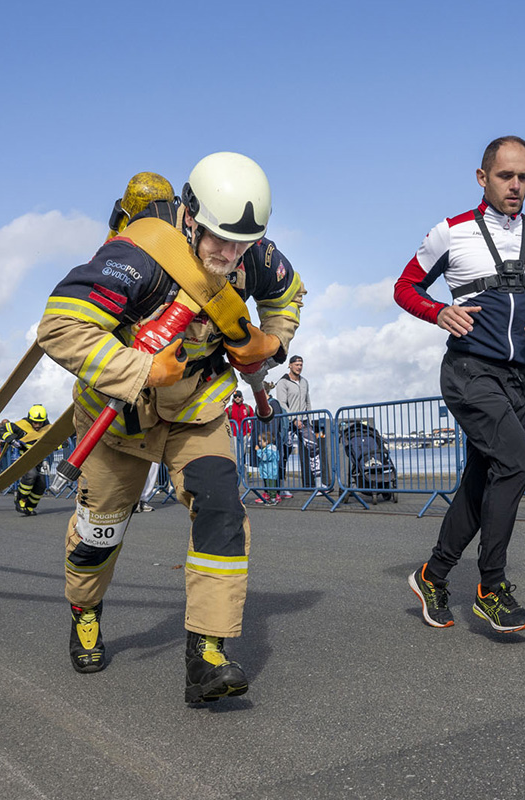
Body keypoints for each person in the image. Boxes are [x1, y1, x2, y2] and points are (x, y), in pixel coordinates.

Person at [36, 152, 304, 702]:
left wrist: (272, 342)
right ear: (188, 215)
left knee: (223, 510)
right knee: (97, 537)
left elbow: (288, 294)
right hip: (117, 420)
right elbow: (59, 327)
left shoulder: (255, 254)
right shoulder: (134, 258)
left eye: (241, 245)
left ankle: (207, 652)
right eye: (216, 241)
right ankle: (85, 610)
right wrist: (141, 367)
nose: (228, 256)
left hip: (196, 412)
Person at [394, 135, 525, 632]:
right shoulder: (450, 233)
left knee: (484, 478)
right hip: (469, 371)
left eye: (524, 177)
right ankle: (491, 587)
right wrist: (439, 311)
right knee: (517, 461)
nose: (516, 186)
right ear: (483, 178)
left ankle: (433, 576)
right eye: (505, 176)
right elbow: (405, 287)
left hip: (519, 378)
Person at [276, 355, 321, 487]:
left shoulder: (304, 382)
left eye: (301, 365)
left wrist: (309, 420)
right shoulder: (283, 382)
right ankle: (281, 486)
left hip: (304, 421)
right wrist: (294, 419)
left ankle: (318, 484)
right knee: (285, 453)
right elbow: (282, 404)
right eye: (296, 365)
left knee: (314, 447)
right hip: (288, 423)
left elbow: (308, 402)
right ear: (290, 365)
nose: (299, 367)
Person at [1, 405, 51, 516]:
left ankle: (30, 507)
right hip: (25, 458)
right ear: (30, 419)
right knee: (31, 475)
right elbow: (3, 429)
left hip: (40, 459)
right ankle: (20, 500)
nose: (37, 426)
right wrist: (11, 439)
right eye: (35, 422)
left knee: (42, 484)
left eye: (40, 423)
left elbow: (61, 441)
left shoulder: (48, 427)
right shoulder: (21, 425)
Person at [254, 432, 280, 504]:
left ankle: (273, 498)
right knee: (267, 485)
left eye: (260, 441)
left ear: (267, 441)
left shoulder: (270, 448)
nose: (259, 443)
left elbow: (266, 457)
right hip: (266, 471)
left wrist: (258, 451)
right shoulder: (267, 448)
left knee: (271, 485)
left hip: (270, 471)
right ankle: (269, 496)